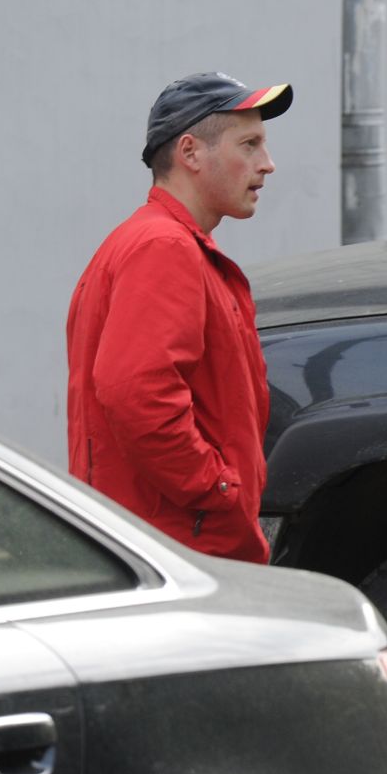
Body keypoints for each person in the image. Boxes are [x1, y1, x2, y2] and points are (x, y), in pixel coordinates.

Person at [66, 73, 292, 565]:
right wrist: (219, 491)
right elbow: (136, 393)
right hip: (178, 549)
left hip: (166, 543)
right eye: (249, 144)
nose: (267, 164)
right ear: (190, 153)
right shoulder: (164, 248)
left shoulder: (154, 241)